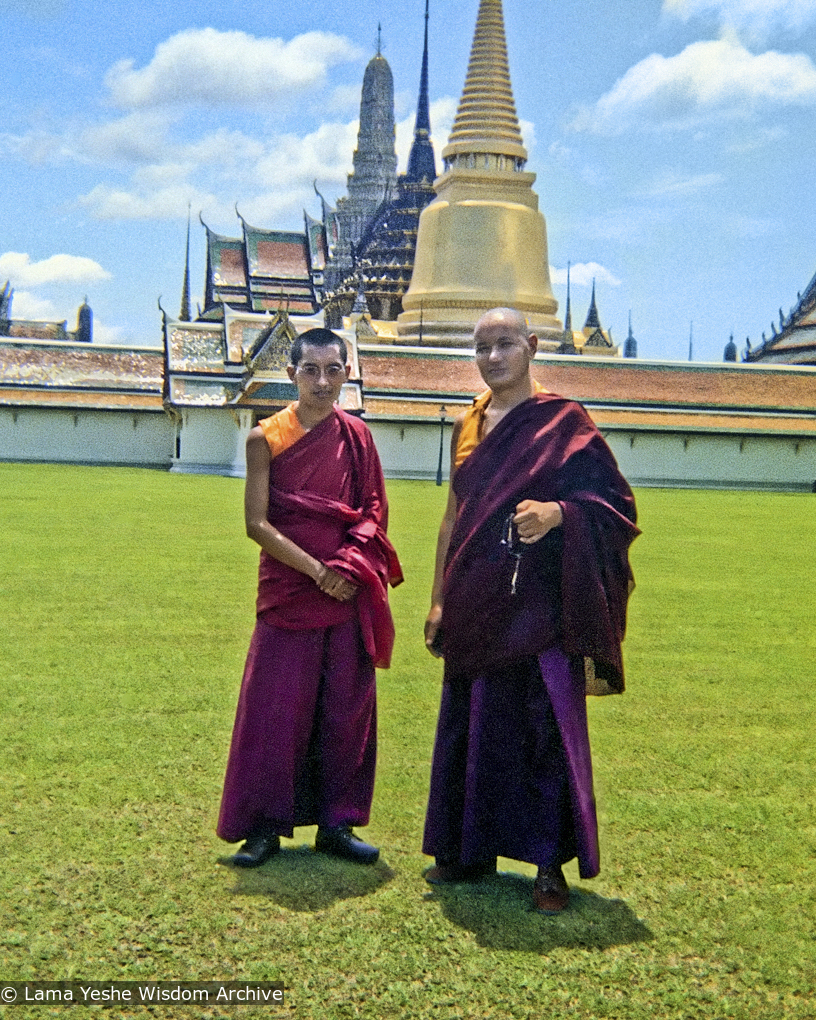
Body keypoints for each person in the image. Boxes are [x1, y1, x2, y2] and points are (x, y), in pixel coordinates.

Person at [422, 307, 639, 912]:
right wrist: (439, 596)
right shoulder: (469, 421)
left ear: (533, 345)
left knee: (543, 727)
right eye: (482, 346)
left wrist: (560, 514)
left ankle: (549, 866)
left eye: (506, 344)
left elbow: (616, 505)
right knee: (472, 722)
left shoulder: (563, 420)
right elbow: (452, 515)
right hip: (474, 594)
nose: (493, 358)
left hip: (539, 604)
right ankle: (466, 851)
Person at [218, 327, 402, 867]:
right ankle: (263, 827)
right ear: (291, 374)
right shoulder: (266, 438)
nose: (322, 382)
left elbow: (373, 513)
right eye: (310, 370)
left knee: (345, 708)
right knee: (275, 710)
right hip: (289, 590)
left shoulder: (358, 437)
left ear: (348, 373)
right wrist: (317, 570)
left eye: (333, 370)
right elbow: (257, 524)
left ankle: (336, 823)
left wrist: (345, 568)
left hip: (346, 590)